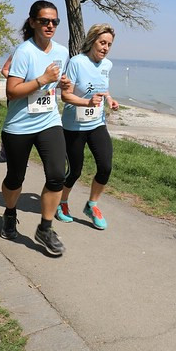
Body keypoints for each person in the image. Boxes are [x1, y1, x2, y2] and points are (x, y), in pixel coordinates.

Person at [0, 0, 71, 256]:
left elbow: (54, 86)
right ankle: (9, 212)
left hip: (49, 121)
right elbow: (12, 91)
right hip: (19, 126)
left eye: (54, 22)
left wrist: (61, 84)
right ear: (32, 22)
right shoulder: (24, 52)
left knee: (56, 175)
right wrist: (43, 80)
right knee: (15, 178)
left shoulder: (61, 52)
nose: (50, 25)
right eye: (44, 21)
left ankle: (45, 228)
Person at [58, 24, 119, 230]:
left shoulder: (107, 65)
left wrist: (109, 99)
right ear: (92, 41)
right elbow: (65, 95)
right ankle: (62, 202)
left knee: (105, 166)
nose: (105, 48)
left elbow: (104, 87)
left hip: (97, 123)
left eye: (109, 44)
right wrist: (87, 103)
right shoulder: (76, 62)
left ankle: (92, 205)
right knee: (74, 171)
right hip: (73, 125)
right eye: (102, 43)